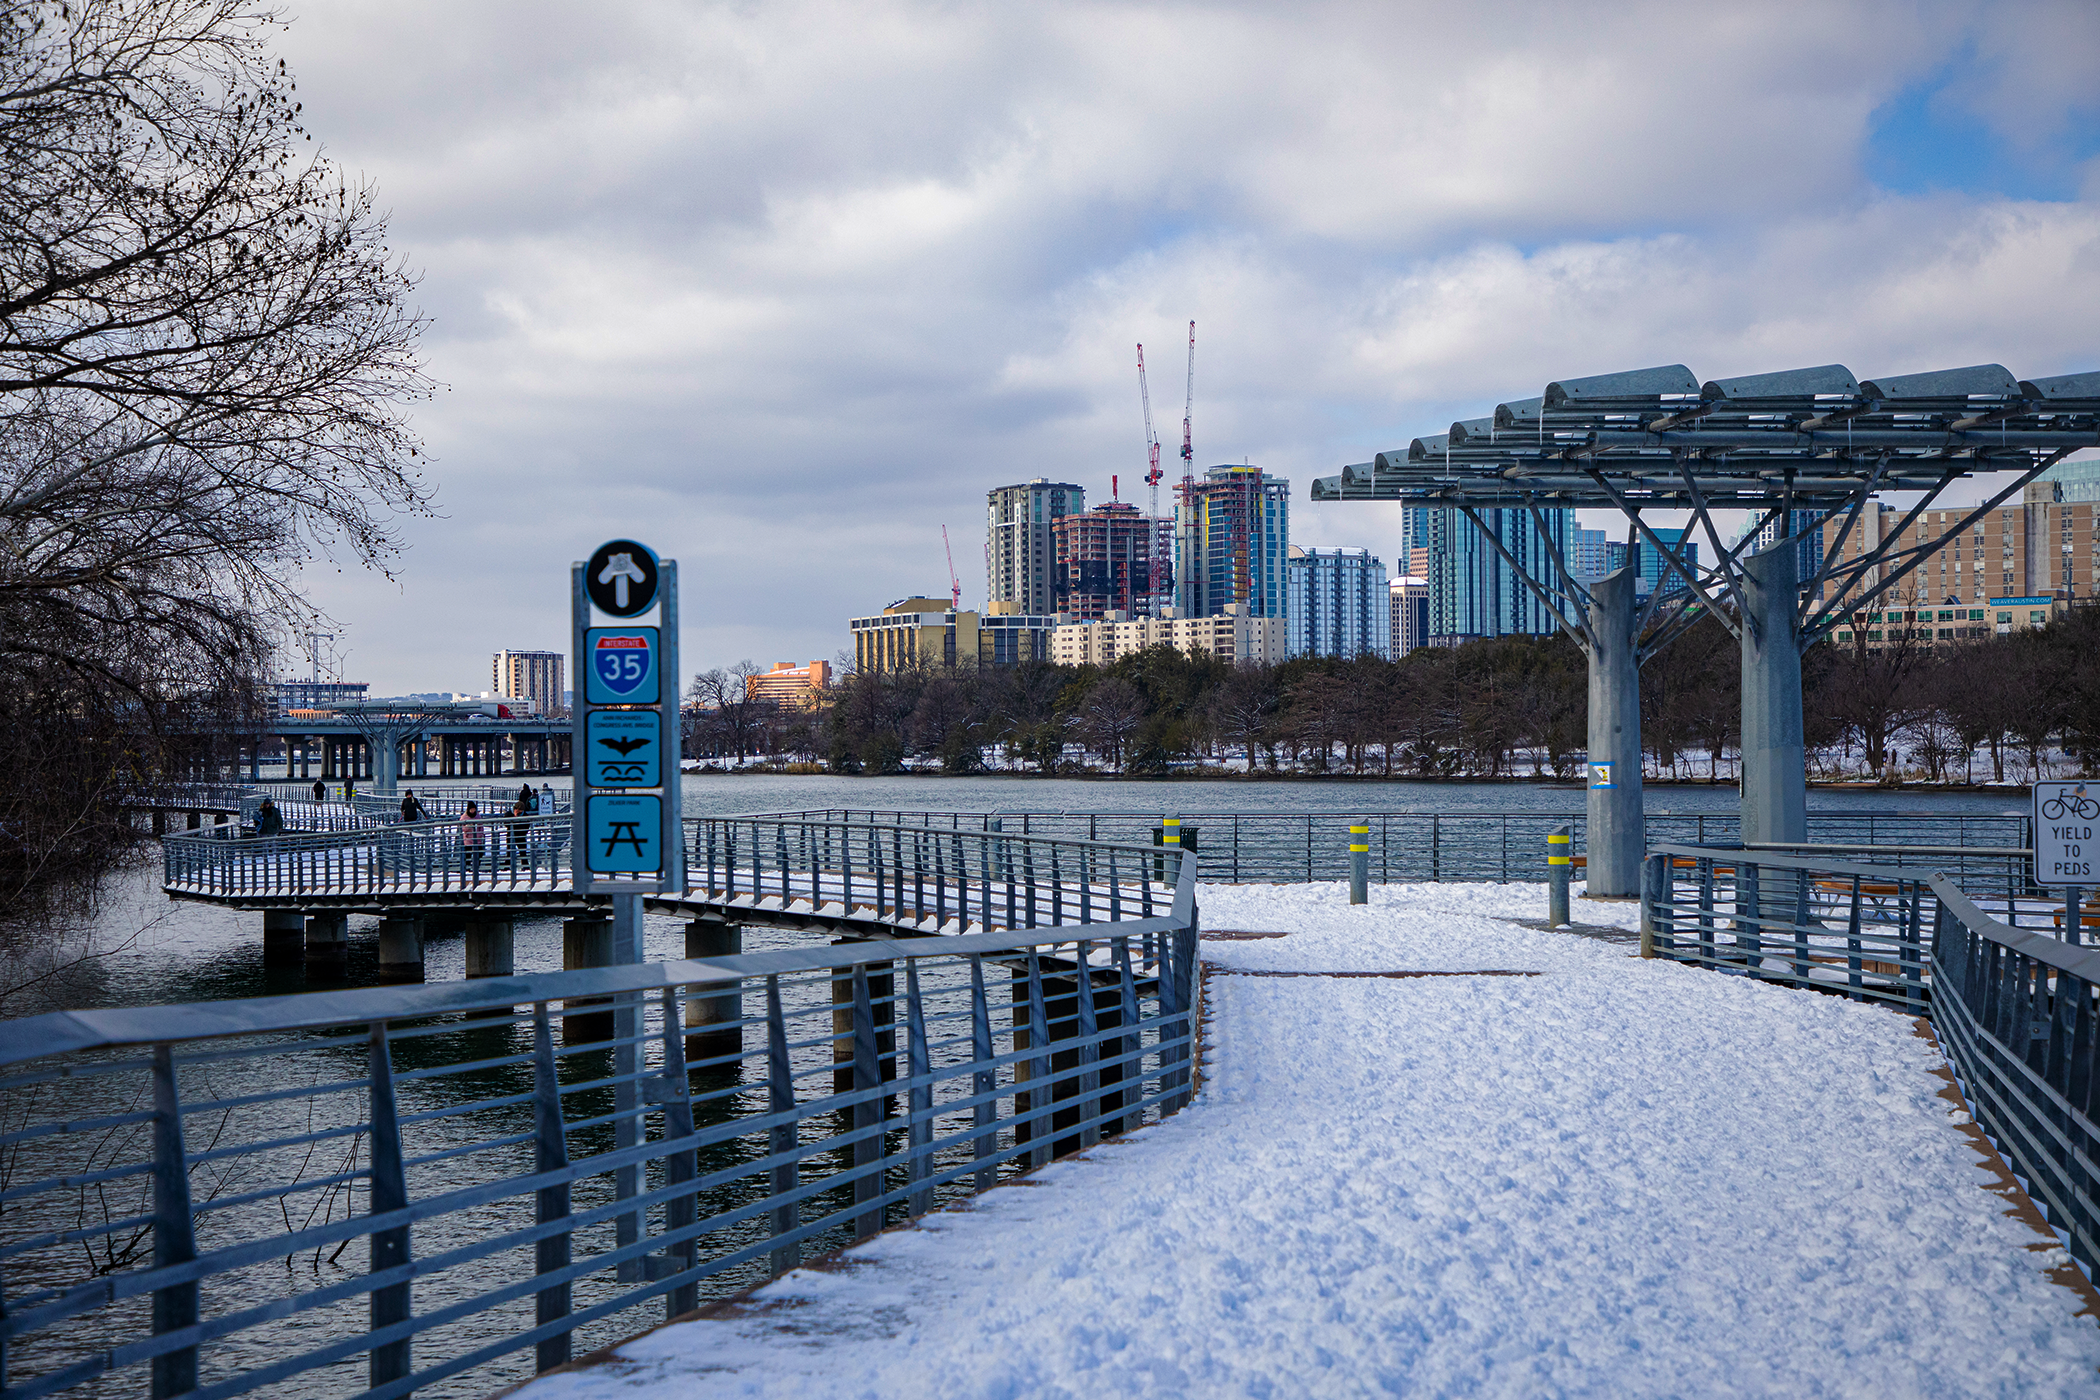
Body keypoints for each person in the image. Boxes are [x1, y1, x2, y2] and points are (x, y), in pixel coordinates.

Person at [461, 801, 485, 881]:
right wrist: (469, 826)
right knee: (468, 854)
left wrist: (481, 834)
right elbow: (462, 828)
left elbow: (481, 826)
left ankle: (476, 866)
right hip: (468, 839)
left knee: (480, 852)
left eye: (474, 809)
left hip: (477, 838)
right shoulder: (464, 817)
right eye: (471, 809)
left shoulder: (477, 816)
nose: (473, 811)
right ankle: (467, 868)